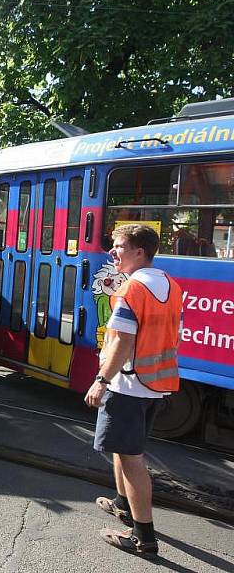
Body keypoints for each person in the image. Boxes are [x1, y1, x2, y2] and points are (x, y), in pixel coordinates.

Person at [85, 224, 181, 560]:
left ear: (139, 251)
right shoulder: (169, 284)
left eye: (119, 246)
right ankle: (122, 504)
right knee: (124, 450)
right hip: (154, 385)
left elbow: (123, 341)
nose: (112, 252)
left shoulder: (133, 291)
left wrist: (101, 379)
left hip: (127, 385)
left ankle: (143, 537)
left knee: (132, 460)